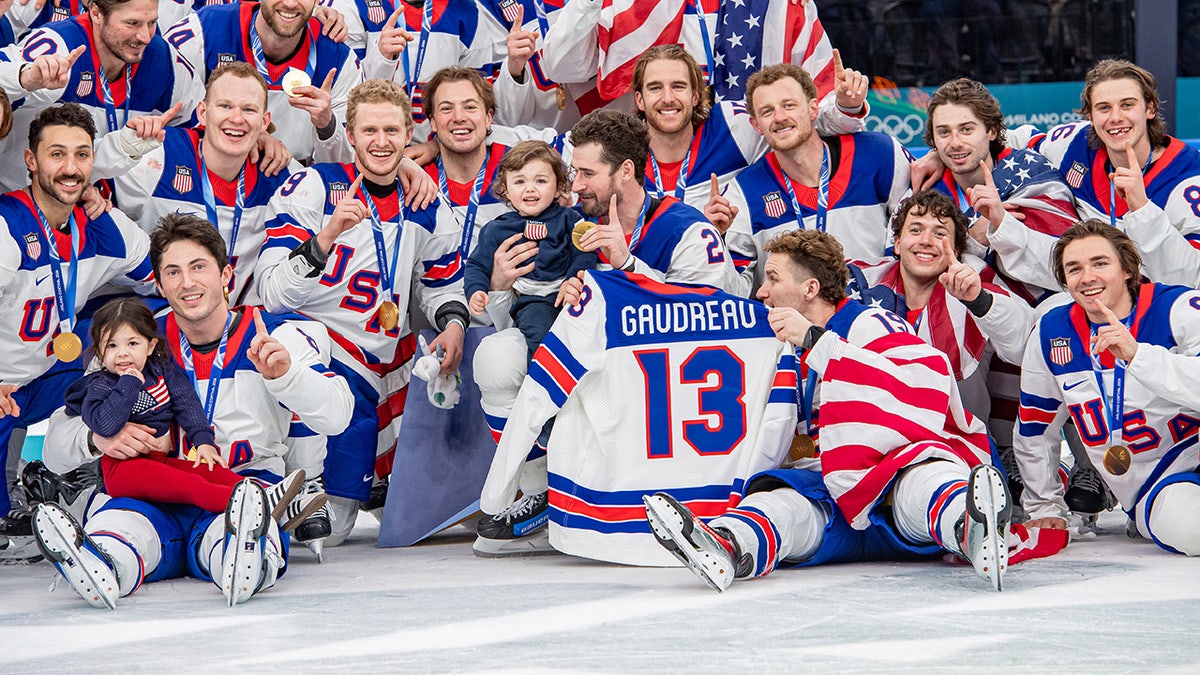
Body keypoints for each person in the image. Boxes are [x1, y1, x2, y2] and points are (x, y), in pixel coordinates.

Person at [643, 229, 1014, 592]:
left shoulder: (869, 322)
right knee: (781, 503)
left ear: (810, 288)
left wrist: (818, 344)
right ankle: (728, 546)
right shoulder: (777, 346)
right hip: (831, 496)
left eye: (772, 278)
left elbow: (923, 381)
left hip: (893, 485)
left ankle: (972, 529)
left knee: (923, 481)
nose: (761, 292)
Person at [34, 212, 353, 608]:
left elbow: (338, 415)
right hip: (152, 493)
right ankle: (103, 564)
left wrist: (286, 376)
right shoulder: (132, 342)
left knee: (236, 533)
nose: (187, 283)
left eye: (198, 267)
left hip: (237, 489)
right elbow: (54, 450)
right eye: (173, 272)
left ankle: (243, 558)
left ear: (226, 275)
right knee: (120, 530)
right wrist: (95, 436)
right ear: (160, 284)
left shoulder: (277, 334)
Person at [469, 108, 740, 554]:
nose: (574, 185)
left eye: (586, 173)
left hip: (667, 405)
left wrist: (627, 267)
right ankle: (547, 494)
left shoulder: (688, 229)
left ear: (625, 172)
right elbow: (522, 316)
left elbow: (707, 323)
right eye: (574, 172)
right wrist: (500, 288)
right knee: (498, 356)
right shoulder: (571, 225)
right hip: (595, 377)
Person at [256, 78, 468, 546]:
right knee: (293, 343)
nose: (381, 142)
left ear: (408, 135)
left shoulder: (425, 203)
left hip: (368, 368)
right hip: (313, 340)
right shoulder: (314, 187)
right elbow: (272, 295)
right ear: (349, 135)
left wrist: (453, 322)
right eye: (369, 131)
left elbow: (442, 282)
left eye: (392, 131)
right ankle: (293, 479)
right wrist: (324, 239)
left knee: (330, 533)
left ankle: (312, 492)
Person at [0, 103, 154, 535]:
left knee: (149, 324)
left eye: (82, 155)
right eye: (57, 154)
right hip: (3, 383)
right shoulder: (7, 224)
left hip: (51, 367)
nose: (71, 168)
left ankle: (85, 472)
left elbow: (163, 284)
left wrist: (111, 215)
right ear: (31, 160)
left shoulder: (98, 223)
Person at [1014, 219, 1200, 555]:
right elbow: (1035, 428)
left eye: (1100, 263)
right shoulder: (1051, 333)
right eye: (1074, 268)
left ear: (1128, 269)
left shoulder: (1179, 309)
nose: (1087, 277)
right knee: (1189, 528)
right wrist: (1044, 507)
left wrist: (1138, 355)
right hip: (1155, 485)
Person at [62, 296, 326, 525]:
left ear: (150, 345)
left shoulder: (161, 369)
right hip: (124, 470)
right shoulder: (100, 383)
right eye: (111, 346)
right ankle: (259, 509)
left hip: (161, 460)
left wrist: (204, 443)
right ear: (99, 351)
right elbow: (105, 424)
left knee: (210, 471)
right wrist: (129, 383)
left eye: (132, 344)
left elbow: (187, 403)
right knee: (193, 486)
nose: (122, 354)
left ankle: (264, 496)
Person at [710, 64, 911, 293]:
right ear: (756, 125)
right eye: (767, 111)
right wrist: (717, 238)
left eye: (789, 105)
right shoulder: (742, 193)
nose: (780, 117)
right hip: (794, 325)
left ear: (813, 109)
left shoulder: (880, 155)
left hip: (879, 317)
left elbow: (922, 228)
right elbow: (735, 293)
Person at [0, 0, 201, 189]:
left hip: (87, 200)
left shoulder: (164, 60)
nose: (145, 36)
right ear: (96, 13)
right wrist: (25, 78)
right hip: (16, 198)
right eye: (132, 23)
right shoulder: (59, 45)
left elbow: (205, 125)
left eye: (152, 23)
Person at [923, 77, 1079, 297]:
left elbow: (1069, 265)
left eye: (966, 129)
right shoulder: (924, 191)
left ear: (992, 132)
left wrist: (1001, 226)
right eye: (944, 132)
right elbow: (906, 267)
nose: (955, 142)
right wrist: (973, 238)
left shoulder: (1032, 173)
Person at [164, 0, 364, 164]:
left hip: (293, 186)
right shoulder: (204, 29)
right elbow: (167, 118)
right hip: (205, 175)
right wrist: (246, 134)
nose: (290, 3)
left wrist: (327, 125)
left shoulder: (338, 57)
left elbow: (347, 163)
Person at [465, 140, 596, 359]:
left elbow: (584, 253)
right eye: (519, 181)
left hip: (571, 294)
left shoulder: (570, 219)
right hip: (532, 298)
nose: (530, 188)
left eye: (541, 180)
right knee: (540, 335)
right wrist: (476, 290)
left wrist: (573, 279)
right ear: (505, 190)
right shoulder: (497, 229)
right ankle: (542, 382)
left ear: (558, 188)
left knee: (586, 338)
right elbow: (477, 265)